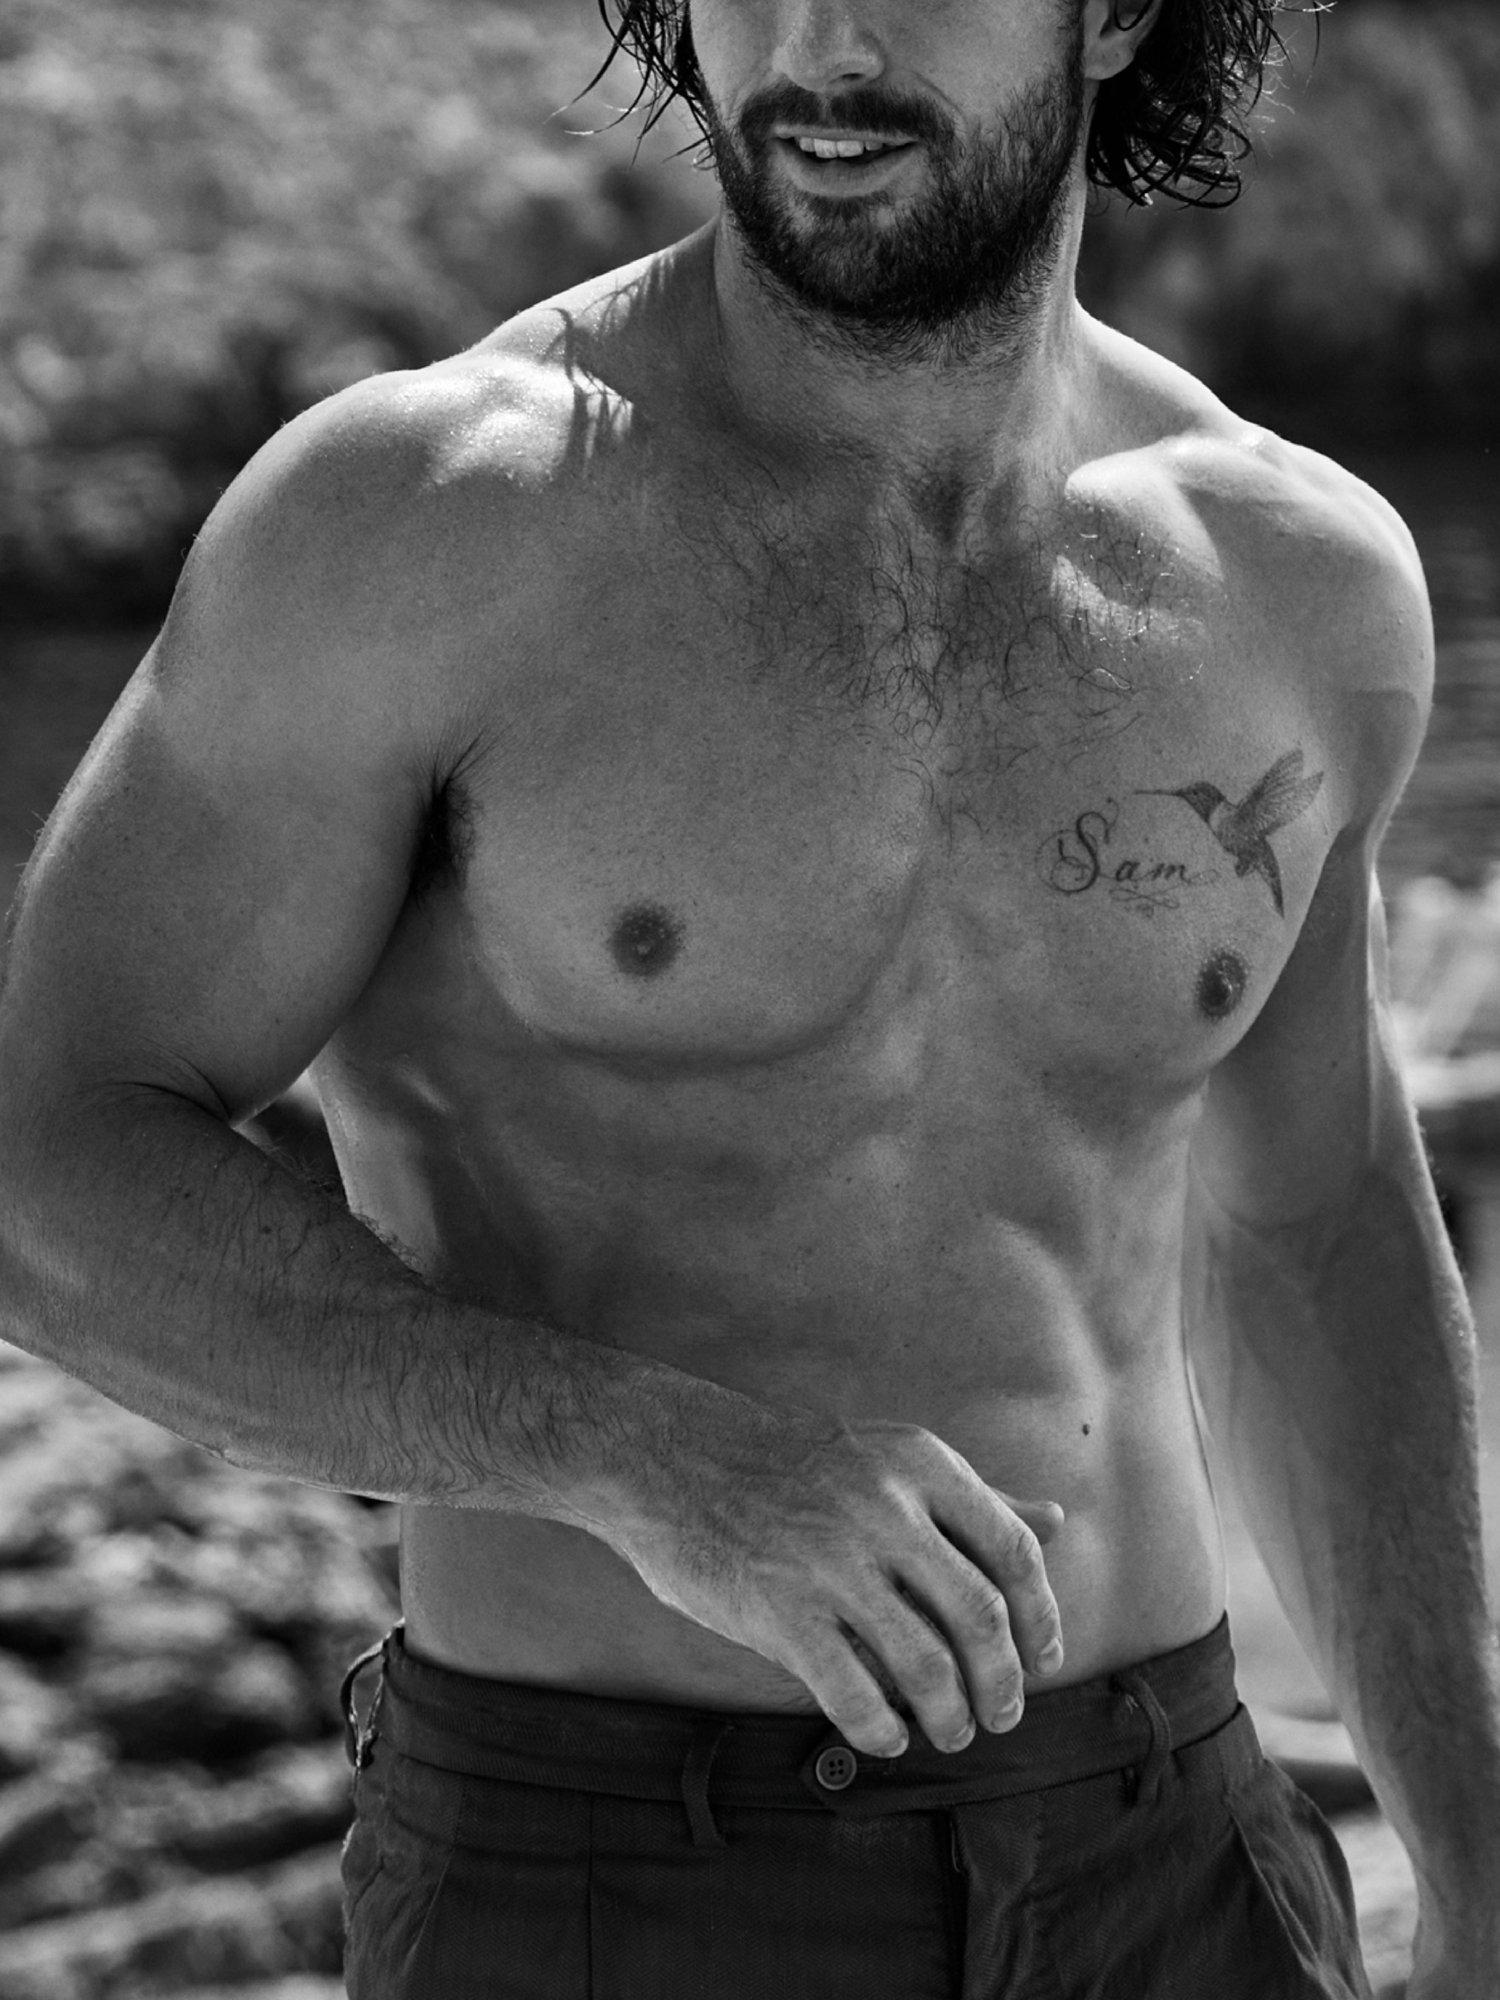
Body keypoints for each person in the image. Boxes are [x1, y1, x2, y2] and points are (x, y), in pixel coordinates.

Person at [1, 0, 1497, 1991]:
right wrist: (646, 1459)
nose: (820, 42)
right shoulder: (425, 524)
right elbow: (46, 1159)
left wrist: (1471, 1841)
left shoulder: (1292, 578)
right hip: (611, 1865)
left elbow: (1315, 1227)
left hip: (1176, 1851)